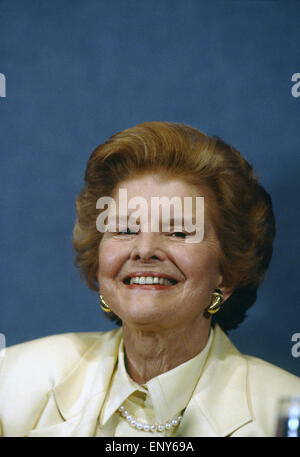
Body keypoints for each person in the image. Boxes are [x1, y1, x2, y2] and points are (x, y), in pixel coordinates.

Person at [0, 122, 299, 437]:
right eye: (126, 230)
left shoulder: (282, 415)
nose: (145, 250)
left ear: (226, 273)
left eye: (179, 232)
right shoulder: (10, 380)